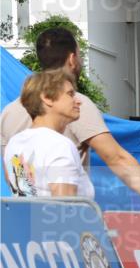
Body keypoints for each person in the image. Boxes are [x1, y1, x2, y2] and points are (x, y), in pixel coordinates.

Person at [1, 27, 140, 218]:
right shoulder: (76, 112)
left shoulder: (8, 113)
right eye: (80, 55)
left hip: (26, 231)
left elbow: (14, 176)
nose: (74, 100)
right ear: (72, 59)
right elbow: (117, 159)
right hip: (62, 233)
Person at [4, 70, 93, 199]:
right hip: (52, 218)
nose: (78, 101)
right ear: (47, 98)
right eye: (70, 94)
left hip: (26, 219)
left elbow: (21, 197)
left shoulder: (14, 143)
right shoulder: (60, 145)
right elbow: (65, 209)